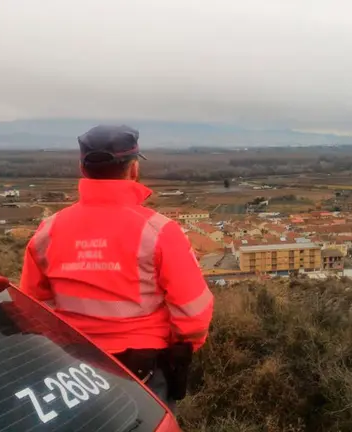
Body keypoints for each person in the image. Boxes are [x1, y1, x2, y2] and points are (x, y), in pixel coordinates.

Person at [19, 124, 214, 412]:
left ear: (82, 168)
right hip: (144, 368)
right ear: (133, 168)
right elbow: (194, 314)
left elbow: (32, 307)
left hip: (72, 368)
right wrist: (179, 350)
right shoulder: (160, 231)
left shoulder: (47, 232)